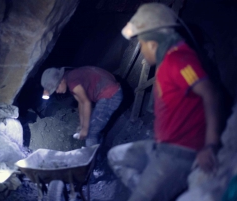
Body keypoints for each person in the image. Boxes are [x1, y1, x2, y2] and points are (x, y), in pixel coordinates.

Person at [107, 3, 220, 201]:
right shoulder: (166, 63)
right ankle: (150, 191)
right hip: (161, 148)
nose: (141, 49)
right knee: (116, 156)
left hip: (180, 154)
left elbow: (210, 94)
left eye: (141, 43)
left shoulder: (180, 61)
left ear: (153, 41)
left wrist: (209, 145)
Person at [41, 66, 123, 147]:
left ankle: (93, 159)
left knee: (91, 133)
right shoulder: (70, 78)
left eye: (56, 88)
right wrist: (81, 125)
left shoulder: (72, 82)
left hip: (111, 95)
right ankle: (99, 151)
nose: (57, 91)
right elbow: (81, 102)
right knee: (93, 128)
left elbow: (87, 103)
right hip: (109, 93)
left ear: (61, 80)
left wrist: (85, 128)